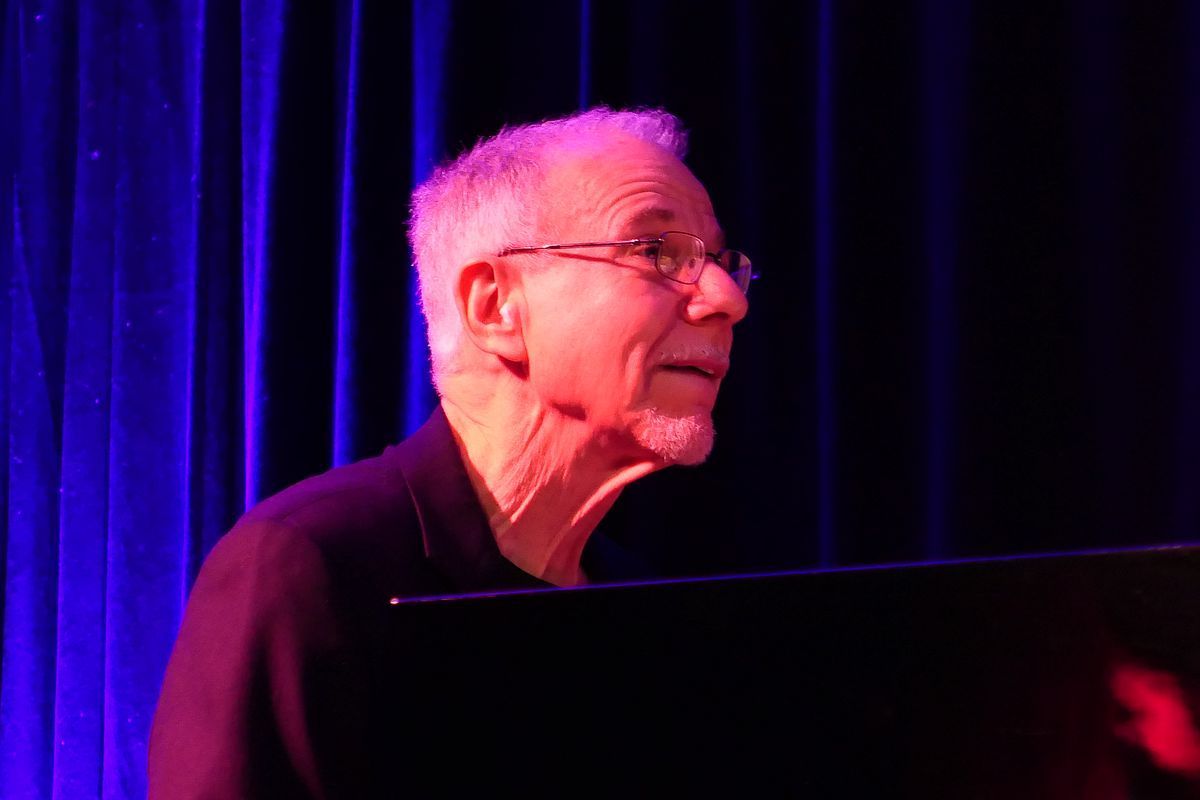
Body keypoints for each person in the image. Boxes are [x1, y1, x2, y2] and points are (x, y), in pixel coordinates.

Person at [147, 106, 751, 797]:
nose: (726, 299)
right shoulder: (310, 567)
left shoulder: (643, 607)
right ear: (494, 307)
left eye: (721, 262)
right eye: (656, 252)